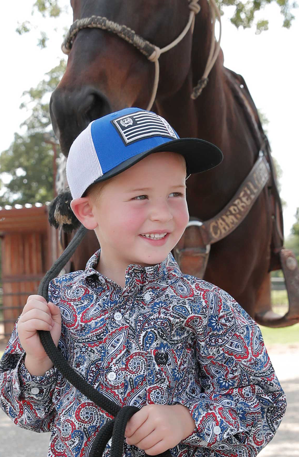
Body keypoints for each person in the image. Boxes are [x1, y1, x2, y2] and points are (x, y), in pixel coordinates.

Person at [0, 108, 286, 457]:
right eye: (140, 196)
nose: (163, 213)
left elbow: (263, 400)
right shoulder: (56, 303)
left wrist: (188, 419)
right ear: (87, 211)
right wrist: (37, 361)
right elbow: (29, 414)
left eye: (175, 194)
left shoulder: (209, 305)